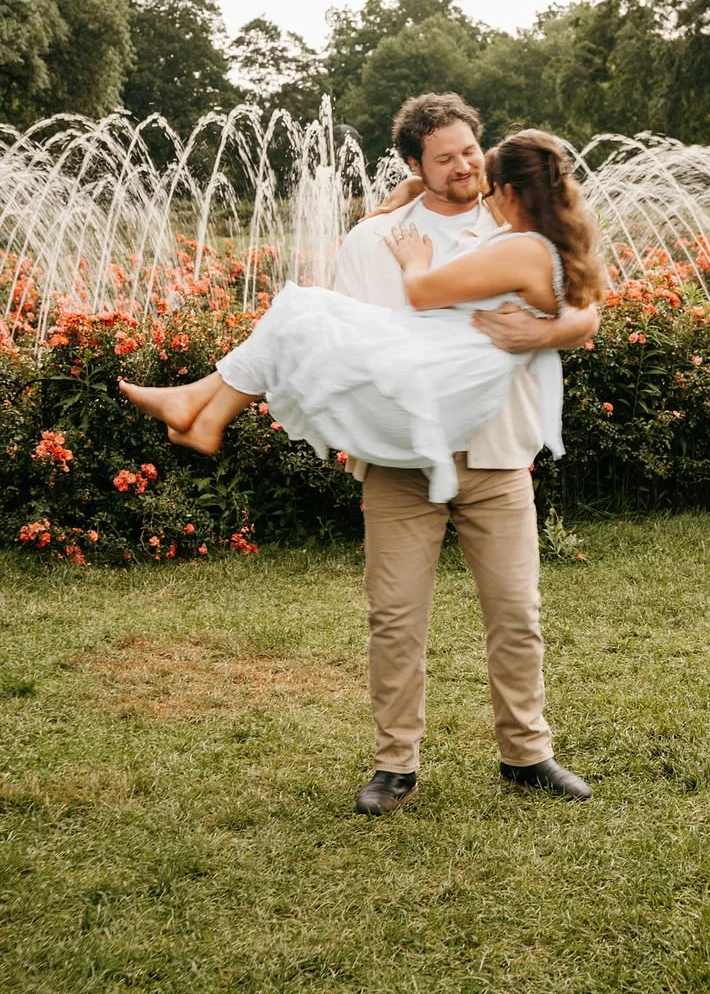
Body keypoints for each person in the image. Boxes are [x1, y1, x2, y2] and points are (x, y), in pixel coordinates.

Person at [121, 100, 603, 812]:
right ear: (413, 166)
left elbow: (586, 303)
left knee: (516, 611)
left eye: (470, 150)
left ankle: (527, 754)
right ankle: (395, 766)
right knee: (396, 615)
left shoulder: (508, 214)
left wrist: (544, 334)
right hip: (401, 458)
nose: (466, 165)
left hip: (496, 451)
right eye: (445, 158)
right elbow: (351, 347)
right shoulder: (375, 237)